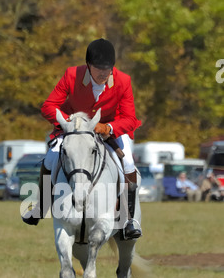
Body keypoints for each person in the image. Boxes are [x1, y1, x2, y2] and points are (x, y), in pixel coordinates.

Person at [22, 38, 142, 239]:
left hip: (108, 130)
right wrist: (72, 123)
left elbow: (130, 118)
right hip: (74, 131)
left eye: (108, 68)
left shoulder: (123, 81)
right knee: (51, 158)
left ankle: (129, 219)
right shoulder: (71, 75)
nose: (104, 73)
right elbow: (48, 106)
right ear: (88, 66)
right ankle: (41, 206)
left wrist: (109, 127)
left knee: (128, 163)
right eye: (98, 69)